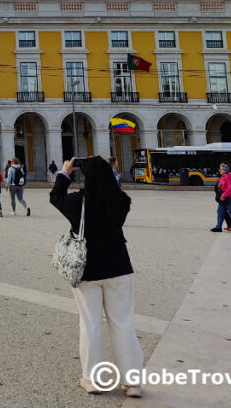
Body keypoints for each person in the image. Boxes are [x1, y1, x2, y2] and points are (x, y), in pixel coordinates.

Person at [51, 155, 144, 397]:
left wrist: (65, 173)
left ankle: (93, 380)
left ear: (86, 175)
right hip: (118, 268)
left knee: (90, 324)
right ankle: (133, 382)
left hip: (87, 272)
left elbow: (55, 197)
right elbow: (111, 193)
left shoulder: (77, 202)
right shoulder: (122, 200)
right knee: (123, 324)